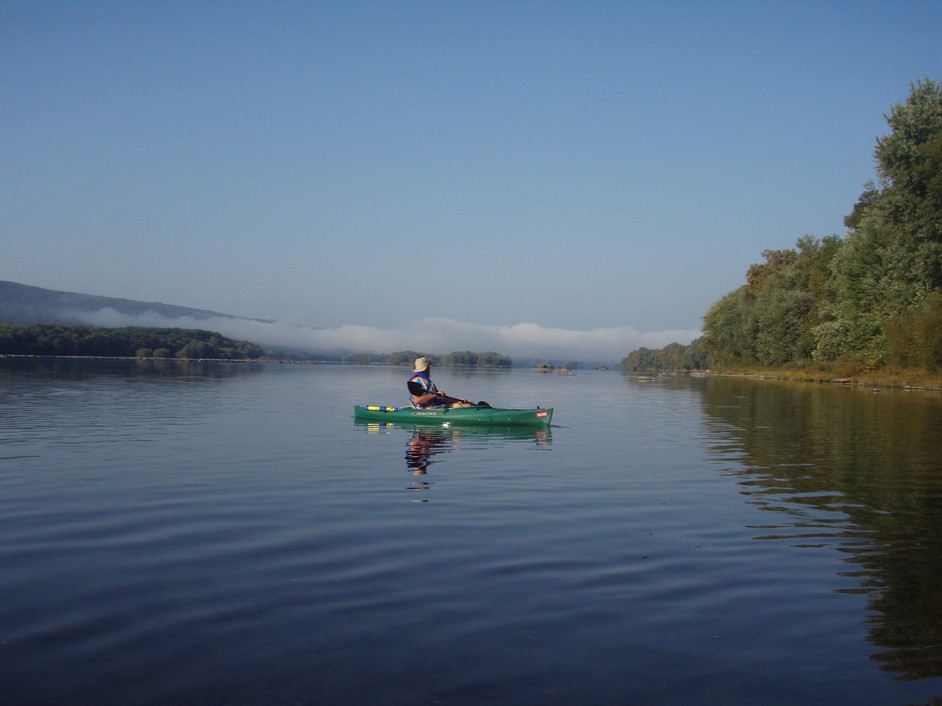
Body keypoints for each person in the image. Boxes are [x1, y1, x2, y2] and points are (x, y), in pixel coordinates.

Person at [407, 357, 473, 408]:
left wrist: (457, 400)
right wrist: (434, 395)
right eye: (429, 366)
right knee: (459, 406)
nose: (429, 368)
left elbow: (440, 398)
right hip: (425, 409)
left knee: (466, 404)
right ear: (426, 368)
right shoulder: (417, 381)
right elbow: (417, 401)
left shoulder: (426, 381)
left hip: (433, 405)